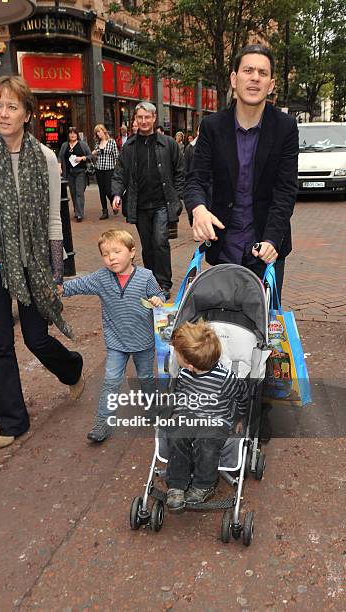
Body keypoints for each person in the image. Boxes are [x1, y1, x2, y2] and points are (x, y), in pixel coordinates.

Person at [0, 75, 84, 450]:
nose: (2, 113)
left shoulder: (45, 158)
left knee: (36, 338)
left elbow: (55, 221)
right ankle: (12, 421)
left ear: (27, 113)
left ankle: (71, 368)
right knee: (1, 343)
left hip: (33, 262)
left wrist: (57, 273)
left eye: (11, 106)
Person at [184, 44, 299, 301]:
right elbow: (196, 179)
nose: (255, 77)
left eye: (262, 72)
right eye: (248, 70)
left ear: (270, 85)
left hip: (266, 249)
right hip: (224, 246)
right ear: (235, 79)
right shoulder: (212, 126)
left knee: (262, 331)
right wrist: (198, 209)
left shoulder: (285, 127)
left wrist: (271, 239)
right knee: (222, 328)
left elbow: (286, 190)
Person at [60, 229, 165, 442]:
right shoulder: (101, 278)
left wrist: (158, 300)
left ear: (132, 252)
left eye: (117, 251)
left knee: (145, 380)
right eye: (106, 254)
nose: (111, 258)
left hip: (143, 341)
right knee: (111, 382)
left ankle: (154, 412)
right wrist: (59, 289)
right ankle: (103, 424)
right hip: (116, 342)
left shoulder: (146, 277)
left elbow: (159, 295)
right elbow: (78, 285)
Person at [165, 320, 248, 512]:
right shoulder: (184, 374)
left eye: (177, 354)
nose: (174, 355)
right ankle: (177, 483)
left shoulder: (226, 379)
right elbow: (180, 394)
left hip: (216, 420)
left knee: (207, 442)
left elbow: (242, 395)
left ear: (190, 364)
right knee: (177, 436)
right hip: (188, 415)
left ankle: (204, 484)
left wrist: (239, 417)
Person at [111, 101, 184, 300]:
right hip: (140, 205)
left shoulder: (168, 144)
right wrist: (117, 194)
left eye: (147, 117)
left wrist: (177, 196)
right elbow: (119, 173)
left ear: (154, 119)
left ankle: (164, 284)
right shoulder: (129, 147)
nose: (144, 121)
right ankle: (151, 282)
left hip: (162, 204)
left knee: (160, 242)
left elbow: (180, 171)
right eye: (140, 117)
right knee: (148, 246)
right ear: (135, 119)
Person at [58, 127, 92, 221]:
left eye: (74, 133)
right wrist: (59, 166)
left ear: (77, 135)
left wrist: (81, 158)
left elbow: (90, 156)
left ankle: (79, 214)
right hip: (69, 173)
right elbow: (60, 157)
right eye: (70, 133)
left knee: (79, 193)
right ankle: (77, 210)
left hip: (80, 172)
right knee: (73, 193)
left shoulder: (82, 145)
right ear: (68, 135)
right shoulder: (65, 145)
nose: (72, 135)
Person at [92, 123, 119, 220]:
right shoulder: (97, 144)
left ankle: (114, 203)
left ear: (104, 131)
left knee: (108, 189)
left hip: (109, 170)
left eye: (99, 131)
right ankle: (104, 211)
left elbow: (116, 156)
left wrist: (117, 169)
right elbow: (93, 155)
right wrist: (94, 154)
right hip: (99, 169)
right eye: (96, 132)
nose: (98, 134)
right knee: (101, 191)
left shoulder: (111, 142)